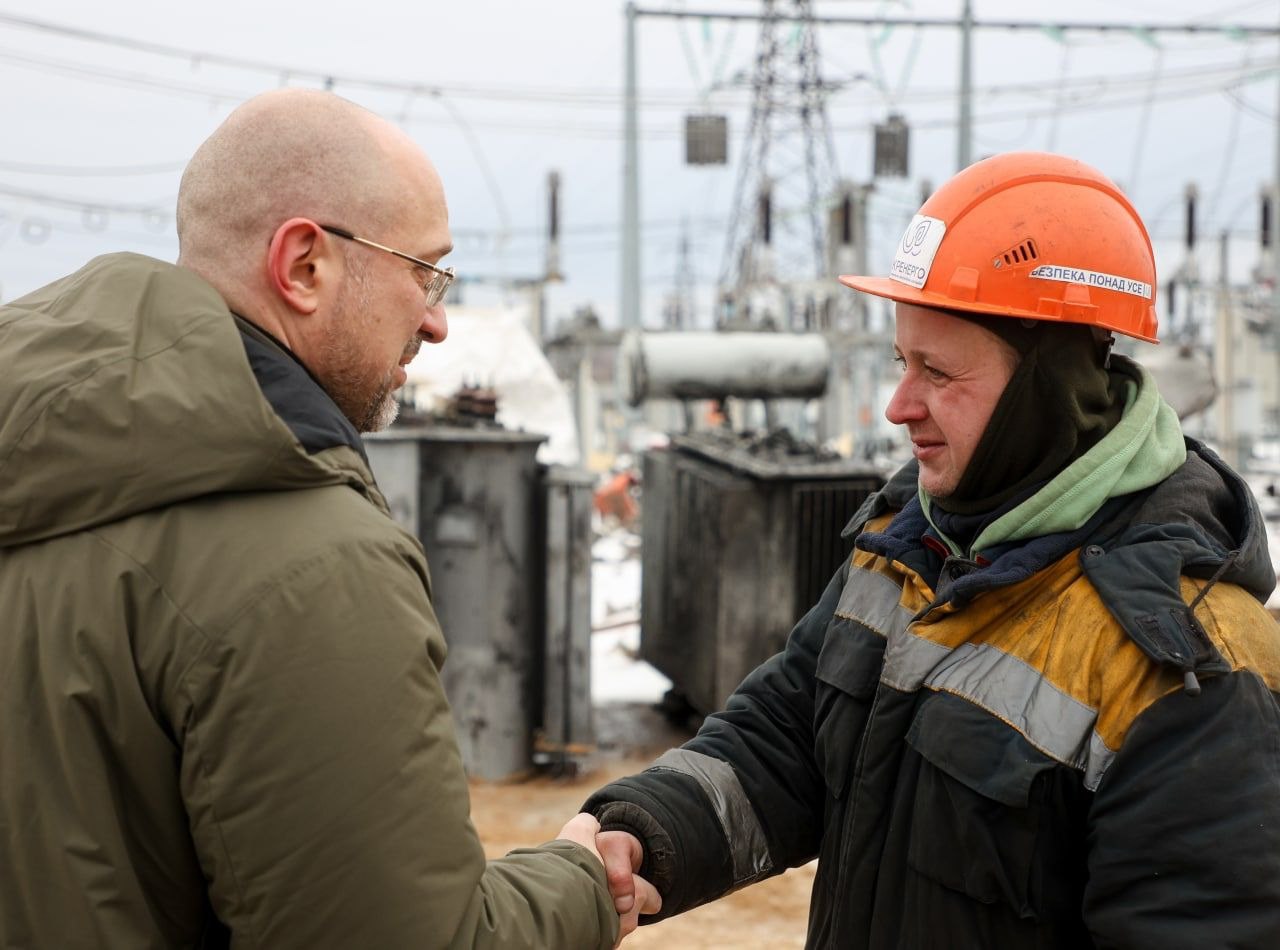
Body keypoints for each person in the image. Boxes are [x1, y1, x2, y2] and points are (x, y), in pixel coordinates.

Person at [0, 88, 657, 948]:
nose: (437, 321)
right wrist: (578, 881)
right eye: (424, 272)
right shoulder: (308, 568)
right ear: (304, 264)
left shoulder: (38, 469)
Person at [584, 151, 1280, 947]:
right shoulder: (914, 543)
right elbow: (785, 743)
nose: (897, 406)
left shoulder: (1191, 669)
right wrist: (641, 832)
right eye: (900, 361)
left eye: (938, 372)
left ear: (1047, 391)